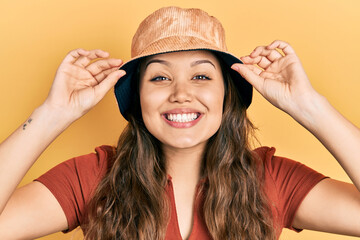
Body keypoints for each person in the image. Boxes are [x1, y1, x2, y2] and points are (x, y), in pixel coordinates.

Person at [0, 6, 359, 240]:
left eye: (201, 77)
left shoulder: (271, 178)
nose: (181, 93)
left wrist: (311, 108)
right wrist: (51, 115)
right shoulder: (93, 176)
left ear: (226, 94)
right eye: (159, 78)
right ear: (137, 99)